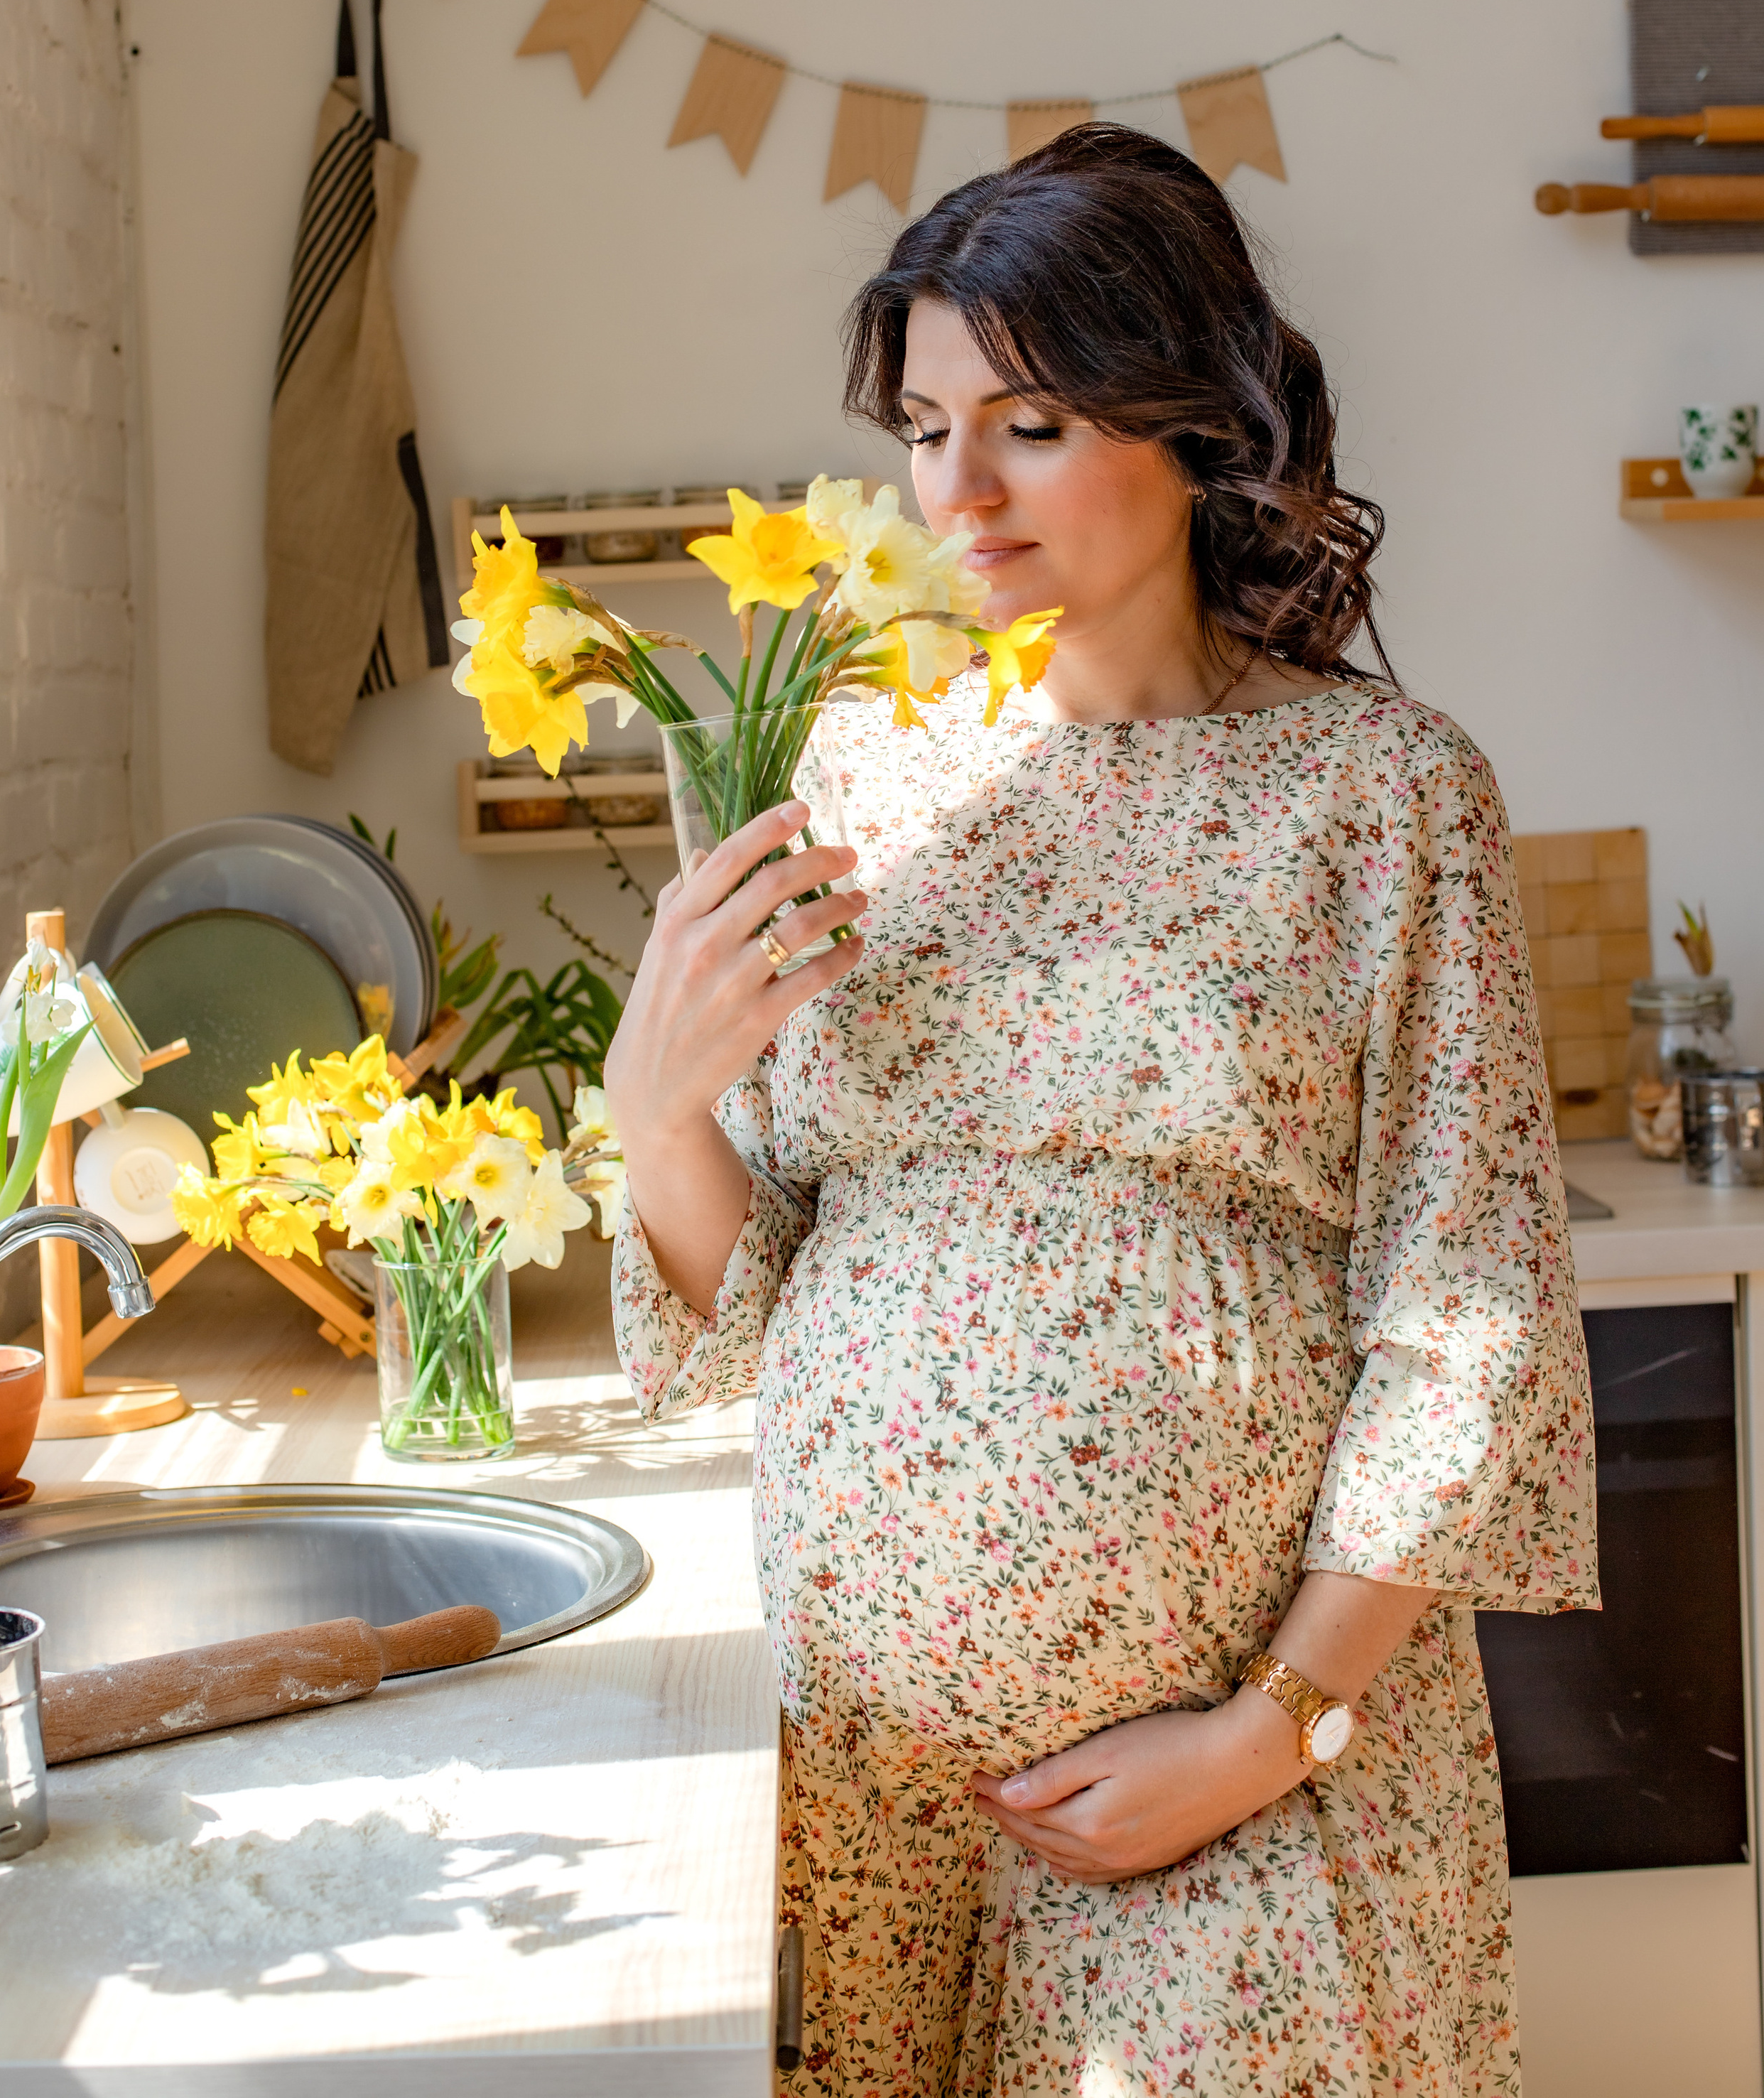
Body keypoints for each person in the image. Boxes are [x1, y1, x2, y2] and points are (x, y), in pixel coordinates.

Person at [607, 124, 1596, 2098]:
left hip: (1238, 1777)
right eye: (924, 425)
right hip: (879, 1785)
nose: (954, 493)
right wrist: (656, 1120)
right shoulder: (857, 773)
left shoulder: (1384, 797)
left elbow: (1465, 1311)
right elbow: (767, 1293)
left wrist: (1275, 1727)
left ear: (1194, 425)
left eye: (1032, 423)